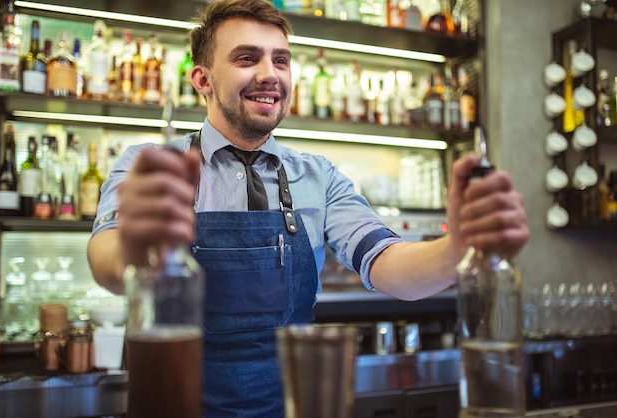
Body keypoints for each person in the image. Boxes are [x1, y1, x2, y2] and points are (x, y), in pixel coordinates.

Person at [87, 0, 529, 416]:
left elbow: (391, 265)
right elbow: (105, 259)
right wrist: (139, 247)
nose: (269, 74)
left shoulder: (319, 178)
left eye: (281, 60)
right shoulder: (151, 167)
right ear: (202, 79)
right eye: (247, 59)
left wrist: (460, 246)